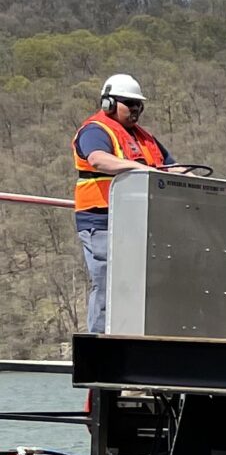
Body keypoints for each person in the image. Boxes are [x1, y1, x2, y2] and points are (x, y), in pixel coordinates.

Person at [73, 73, 170, 333]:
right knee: (106, 283)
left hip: (139, 220)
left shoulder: (145, 138)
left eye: (139, 104)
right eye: (130, 103)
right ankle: (98, 348)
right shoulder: (95, 130)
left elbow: (171, 167)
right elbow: (98, 160)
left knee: (139, 285)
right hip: (101, 219)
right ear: (109, 104)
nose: (136, 109)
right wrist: (138, 169)